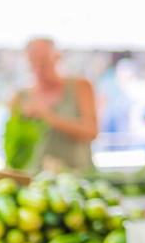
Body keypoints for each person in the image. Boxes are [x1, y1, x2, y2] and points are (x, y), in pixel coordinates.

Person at [11, 38, 98, 172]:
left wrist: (48, 116)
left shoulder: (81, 87)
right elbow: (14, 147)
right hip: (37, 180)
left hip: (79, 176)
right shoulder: (20, 97)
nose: (39, 69)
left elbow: (91, 131)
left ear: (57, 57)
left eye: (44, 62)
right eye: (34, 62)